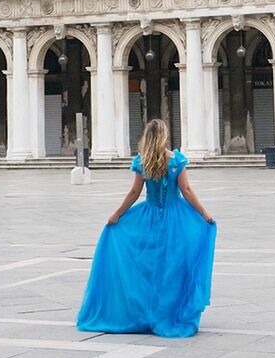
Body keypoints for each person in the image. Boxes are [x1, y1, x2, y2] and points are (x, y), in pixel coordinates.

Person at [76, 118, 216, 337]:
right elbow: (186, 190)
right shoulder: (176, 160)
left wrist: (117, 214)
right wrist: (204, 214)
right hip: (175, 218)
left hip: (148, 217)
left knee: (147, 267)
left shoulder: (142, 161)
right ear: (163, 136)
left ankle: (146, 311)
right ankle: (168, 311)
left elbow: (134, 193)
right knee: (173, 267)